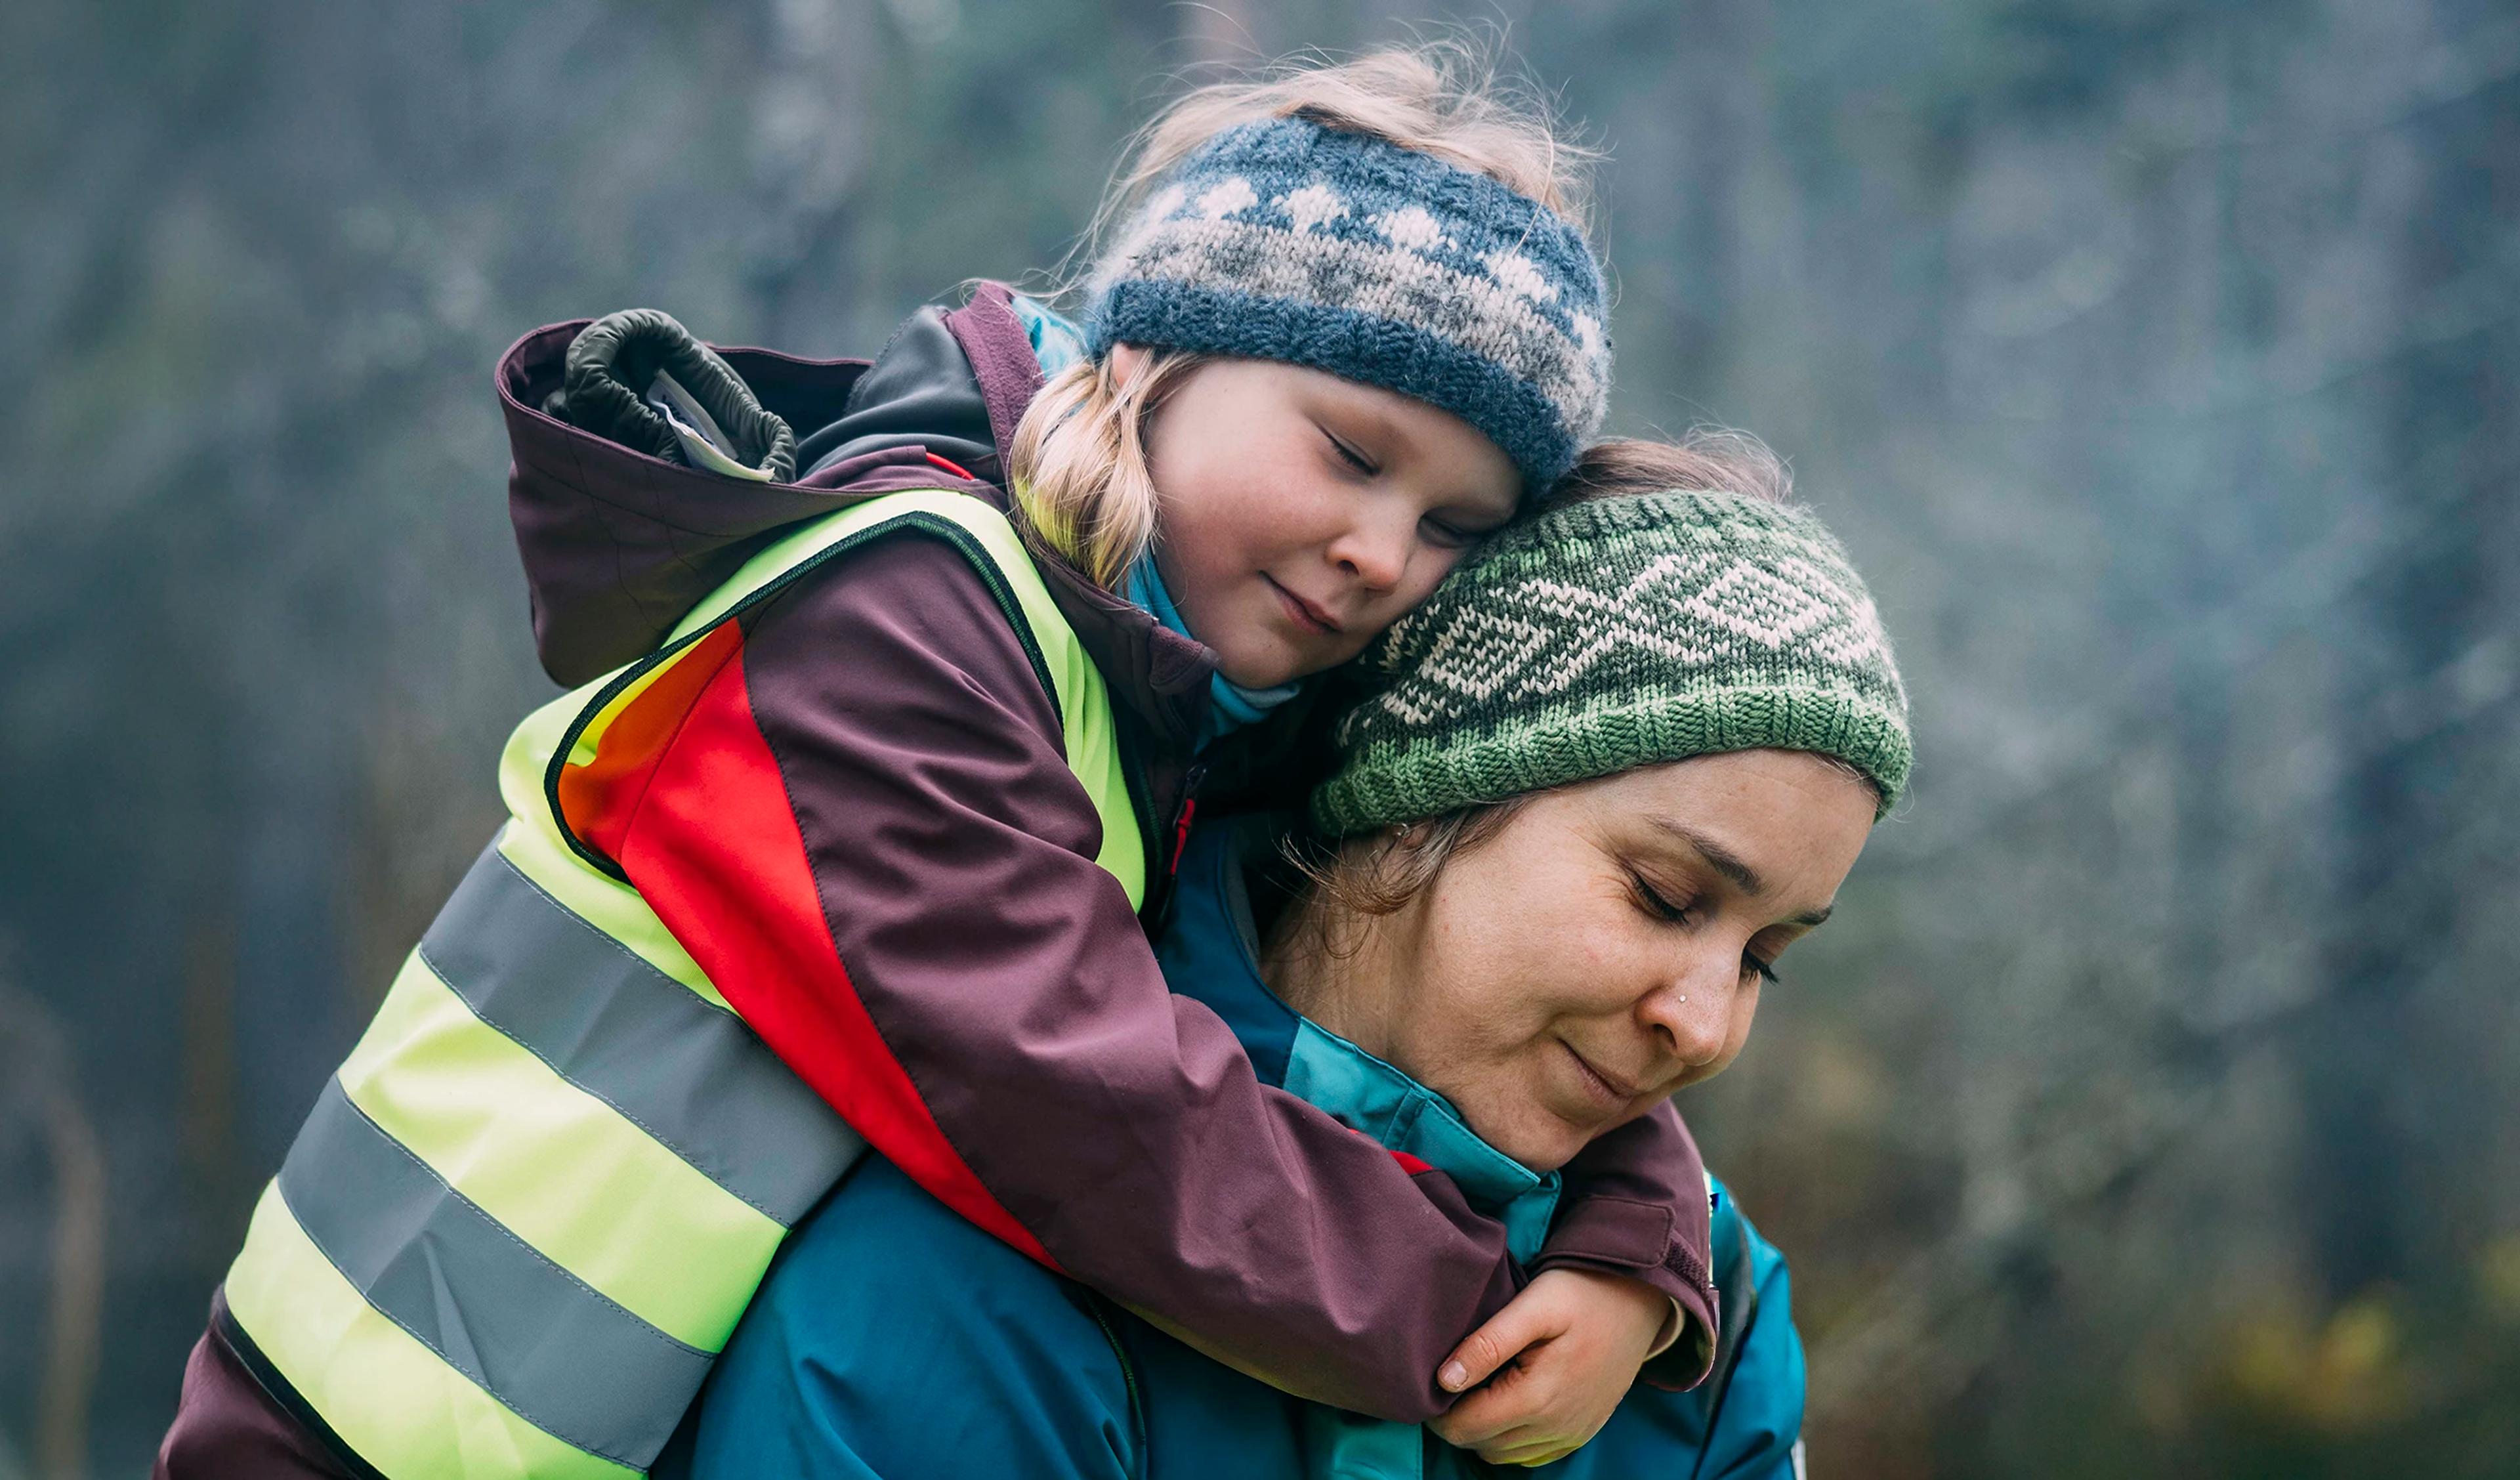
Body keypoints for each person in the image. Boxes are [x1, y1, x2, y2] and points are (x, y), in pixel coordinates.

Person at [158, 48, 1729, 1480]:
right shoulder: (891, 621)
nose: (1383, 549)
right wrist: (1487, 1304)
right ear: (1158, 363)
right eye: (1351, 451)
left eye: (1455, 523)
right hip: (375, 1440)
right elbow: (1073, 1104)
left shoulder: (1206, 695)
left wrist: (1632, 1248)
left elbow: (1500, 983)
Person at [665, 435, 1909, 1478]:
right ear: (1421, 794)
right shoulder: (961, 1286)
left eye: (1766, 959)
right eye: (1666, 894)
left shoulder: (1704, 1329)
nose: (1706, 1028)